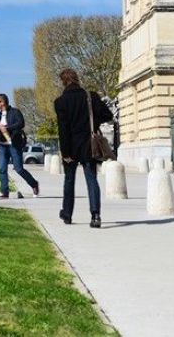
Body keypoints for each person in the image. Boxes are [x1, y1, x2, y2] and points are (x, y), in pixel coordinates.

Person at [53, 68, 114, 228]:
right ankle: (95, 215)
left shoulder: (60, 102)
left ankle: (67, 214)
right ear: (77, 79)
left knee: (69, 180)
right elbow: (108, 115)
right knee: (91, 179)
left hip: (71, 146)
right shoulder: (91, 96)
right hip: (89, 143)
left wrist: (65, 152)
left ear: (63, 82)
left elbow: (63, 130)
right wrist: (93, 123)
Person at [0, 93, 40, 199]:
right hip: (2, 146)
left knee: (19, 169)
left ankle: (34, 184)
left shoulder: (15, 112)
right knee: (2, 169)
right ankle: (4, 193)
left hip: (14, 145)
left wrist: (7, 128)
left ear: (3, 102)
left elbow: (21, 123)